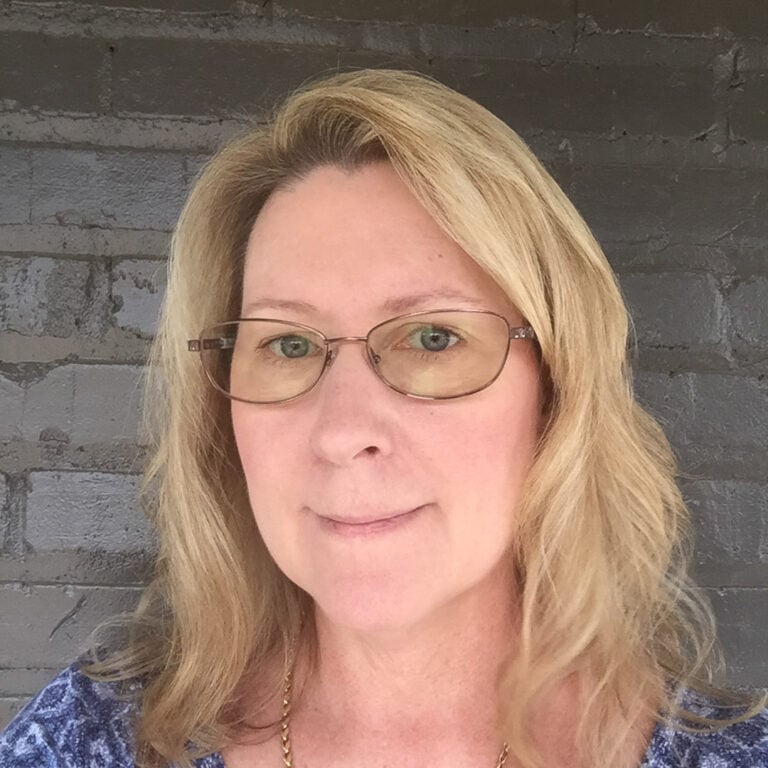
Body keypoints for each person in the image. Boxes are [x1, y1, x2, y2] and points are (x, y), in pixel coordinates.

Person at [0, 68, 766, 768]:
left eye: (433, 338)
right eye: (288, 344)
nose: (343, 432)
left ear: (555, 392)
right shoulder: (89, 741)